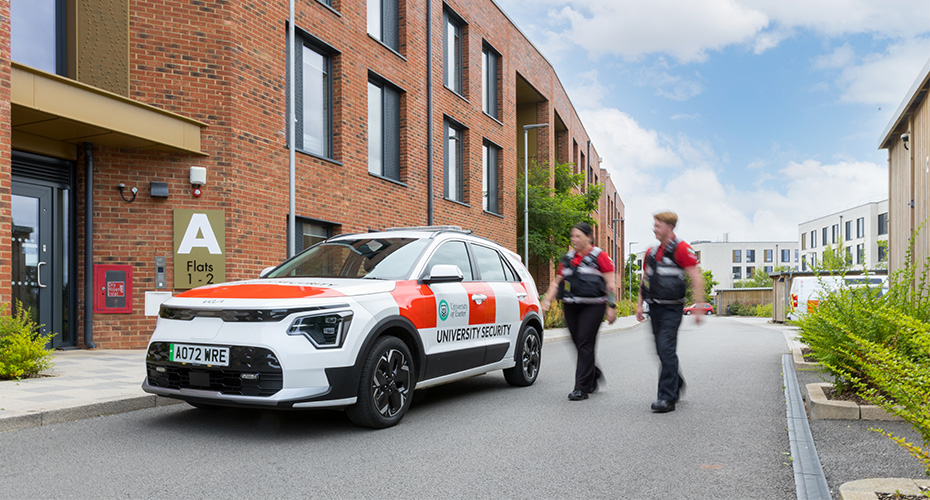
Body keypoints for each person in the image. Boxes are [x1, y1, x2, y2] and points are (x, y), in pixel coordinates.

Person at [636, 211, 704, 413]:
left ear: (670, 228)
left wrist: (699, 306)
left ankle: (666, 397)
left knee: (666, 349)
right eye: (654, 225)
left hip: (672, 308)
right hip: (654, 307)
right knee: (659, 350)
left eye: (658, 226)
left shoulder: (682, 249)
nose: (654, 229)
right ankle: (676, 382)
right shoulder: (651, 252)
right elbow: (645, 280)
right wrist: (639, 305)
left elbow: (696, 277)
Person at [541, 222, 617, 401]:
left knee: (585, 342)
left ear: (589, 237)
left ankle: (581, 388)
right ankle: (594, 374)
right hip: (571, 305)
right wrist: (546, 301)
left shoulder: (600, 256)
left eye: (578, 236)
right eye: (572, 236)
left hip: (593, 305)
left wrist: (611, 307)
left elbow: (611, 284)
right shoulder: (567, 258)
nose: (574, 240)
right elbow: (556, 282)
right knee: (578, 342)